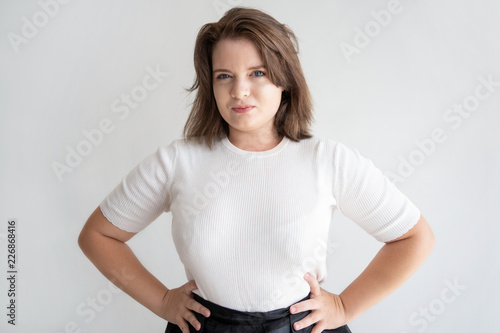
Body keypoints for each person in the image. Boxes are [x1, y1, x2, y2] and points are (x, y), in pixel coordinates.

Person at [78, 7, 435, 333]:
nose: (239, 91)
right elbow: (98, 235)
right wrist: (161, 301)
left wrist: (343, 306)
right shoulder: (177, 162)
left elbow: (413, 237)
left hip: (302, 327)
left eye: (257, 73)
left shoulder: (328, 160)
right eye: (224, 76)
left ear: (285, 80)